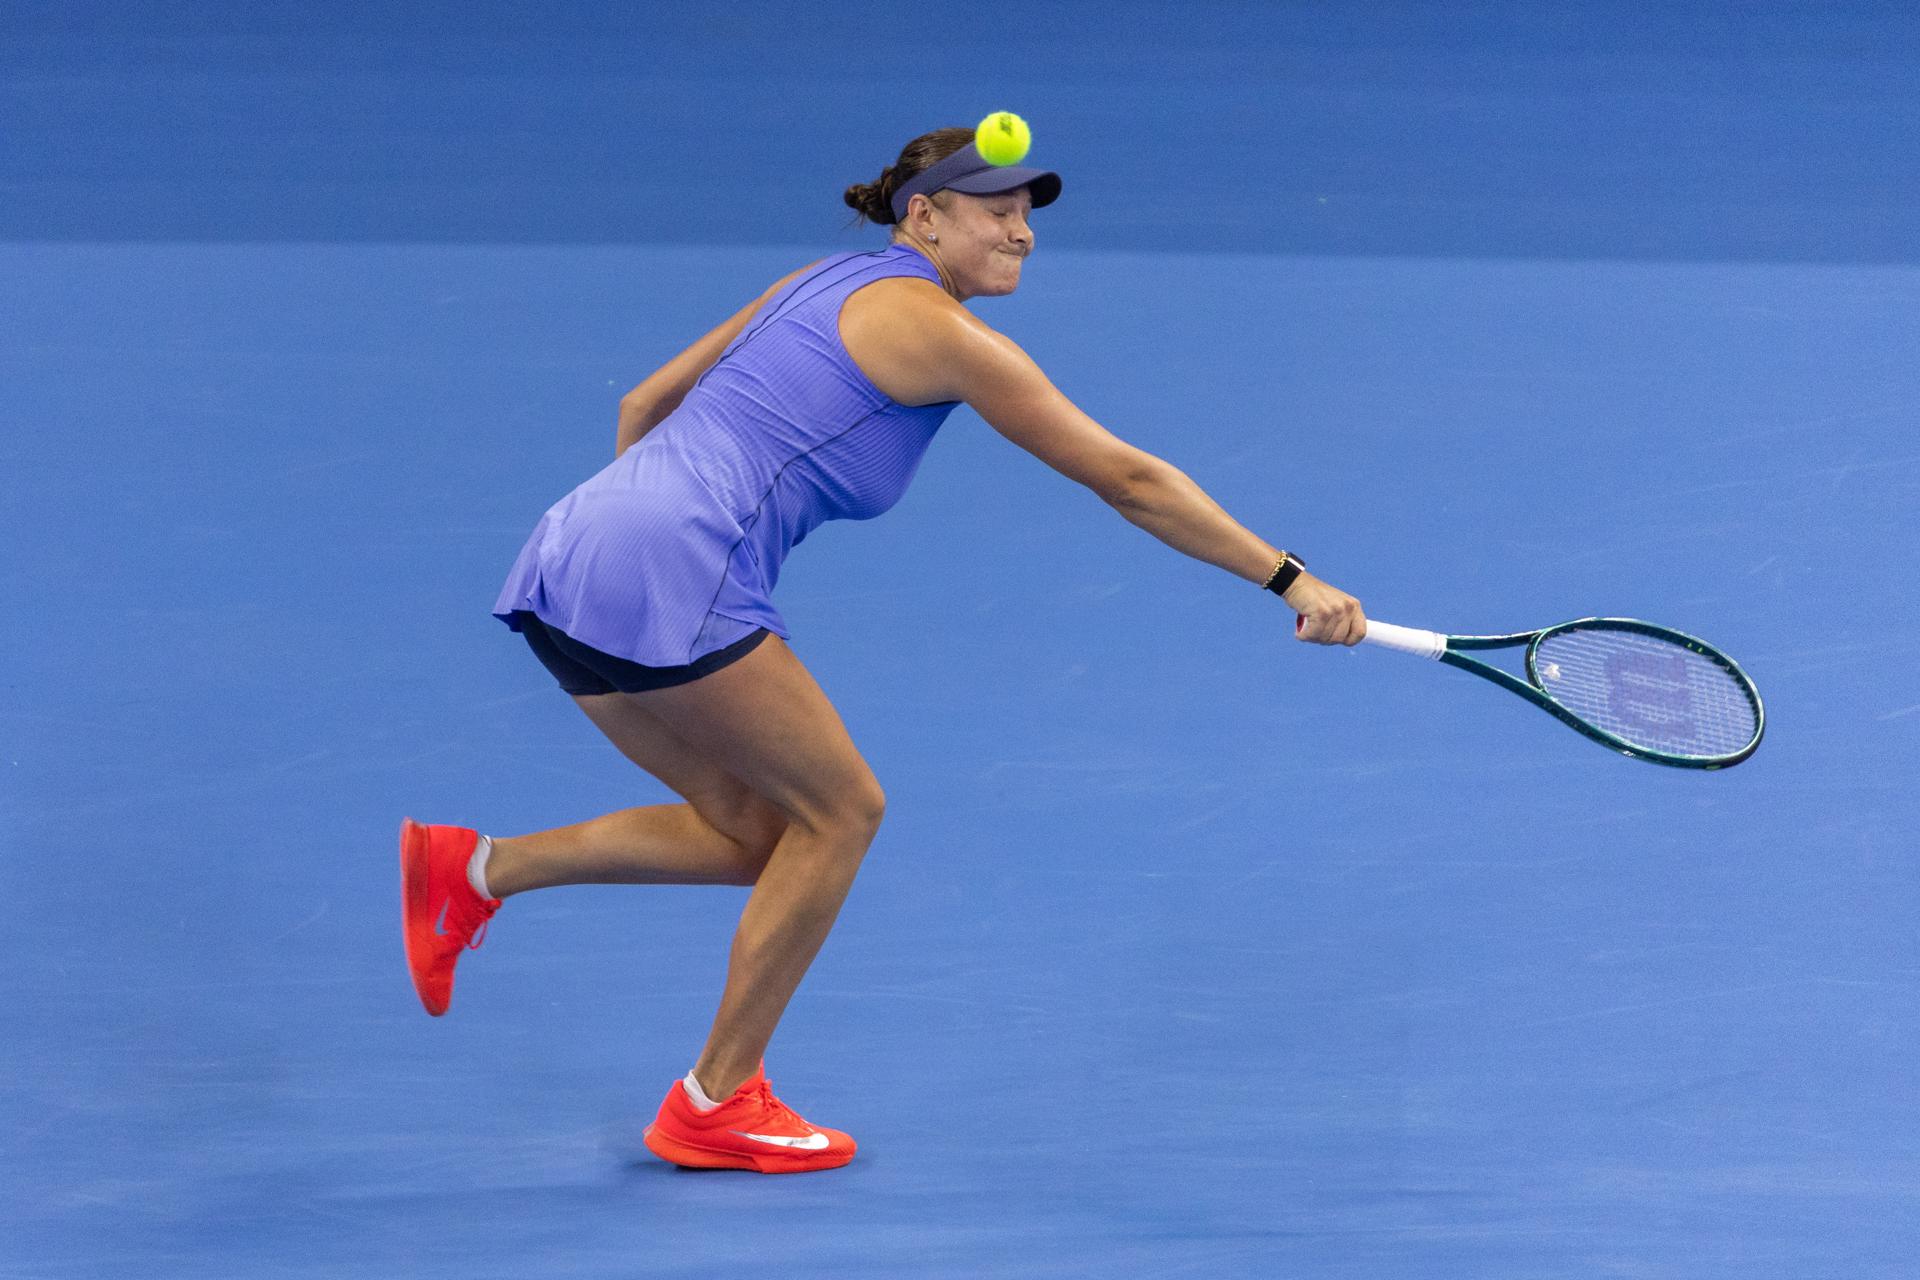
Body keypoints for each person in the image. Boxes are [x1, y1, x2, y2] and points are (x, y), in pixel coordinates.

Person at [400, 125, 1366, 1175]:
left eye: (1029, 212)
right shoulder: (947, 336)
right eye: (996, 209)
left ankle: (476, 869)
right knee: (843, 810)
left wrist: (632, 541)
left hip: (570, 549)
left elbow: (643, 405)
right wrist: (1290, 577)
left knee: (760, 836)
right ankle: (716, 1097)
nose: (1023, 232)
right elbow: (1127, 480)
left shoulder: (812, 281)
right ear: (925, 214)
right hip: (673, 567)